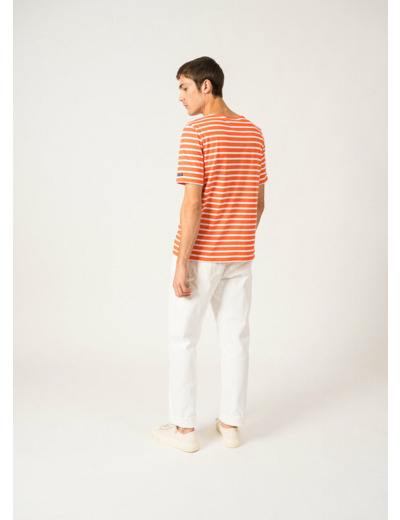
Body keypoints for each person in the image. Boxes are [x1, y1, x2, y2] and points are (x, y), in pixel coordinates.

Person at [152, 56, 268, 452]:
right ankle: (231, 425)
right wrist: (236, 237)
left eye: (184, 87)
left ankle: (185, 431)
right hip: (240, 255)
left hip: (201, 255)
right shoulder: (254, 132)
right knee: (236, 337)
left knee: (183, 338)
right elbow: (258, 203)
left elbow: (192, 203)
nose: (180, 97)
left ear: (206, 86)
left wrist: (182, 262)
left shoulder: (196, 131)